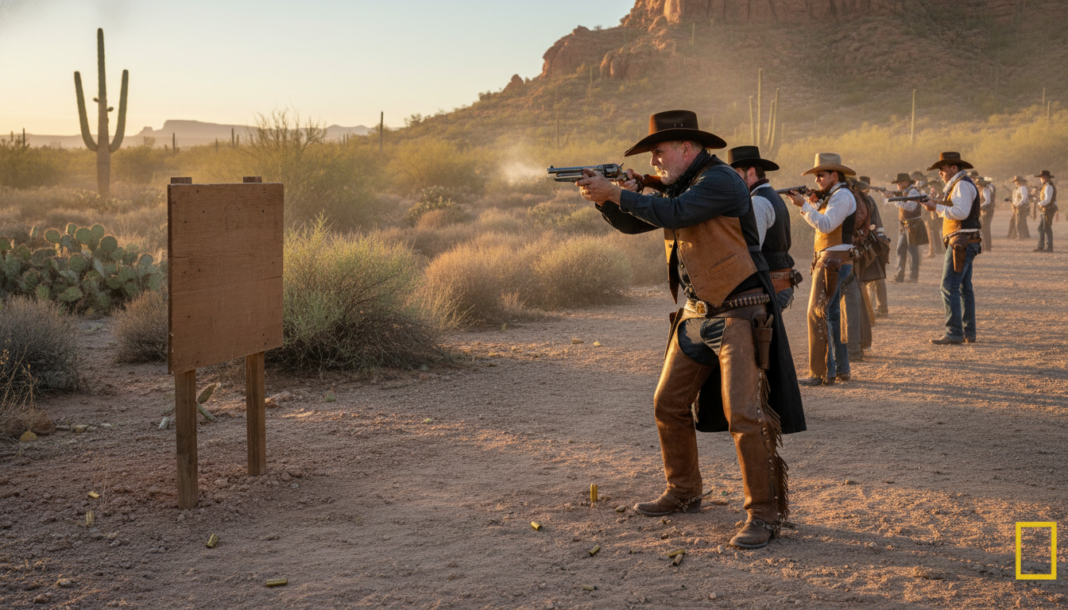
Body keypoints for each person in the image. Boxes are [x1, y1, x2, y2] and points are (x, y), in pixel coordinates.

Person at [576, 110, 804, 550]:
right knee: (668, 403)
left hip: (739, 312)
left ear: (686, 147)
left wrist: (618, 191)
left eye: (658, 152)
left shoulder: (720, 180)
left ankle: (764, 514)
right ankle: (683, 491)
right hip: (697, 313)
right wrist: (604, 199)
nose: (654, 161)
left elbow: (675, 212)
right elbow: (638, 221)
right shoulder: (685, 184)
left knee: (745, 415)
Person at [783, 153, 857, 386]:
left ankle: (821, 372)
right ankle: (840, 369)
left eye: (821, 175)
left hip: (833, 262)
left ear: (834, 175)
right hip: (834, 261)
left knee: (816, 313)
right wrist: (809, 203)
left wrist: (804, 205)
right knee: (831, 315)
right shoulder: (836, 195)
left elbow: (825, 225)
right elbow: (822, 220)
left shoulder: (841, 196)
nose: (817, 180)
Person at [920, 152, 981, 345]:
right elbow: (956, 208)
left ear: (953, 168)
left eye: (942, 169)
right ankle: (968, 332)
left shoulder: (961, 185)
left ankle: (954, 332)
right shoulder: (960, 184)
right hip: (964, 240)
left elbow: (961, 213)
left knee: (949, 286)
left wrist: (935, 207)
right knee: (963, 288)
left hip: (961, 241)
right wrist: (935, 204)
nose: (940, 173)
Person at [727, 145, 799, 310]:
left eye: (737, 174)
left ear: (751, 172)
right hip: (779, 283)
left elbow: (753, 249)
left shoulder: (757, 201)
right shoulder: (771, 195)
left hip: (773, 286)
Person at [889, 173, 924, 283]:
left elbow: (910, 207)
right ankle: (900, 275)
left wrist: (896, 200)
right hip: (905, 225)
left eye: (900, 183)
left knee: (912, 251)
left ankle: (913, 276)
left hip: (912, 225)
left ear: (906, 182)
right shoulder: (906, 192)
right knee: (901, 249)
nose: (898, 185)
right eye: (898, 183)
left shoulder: (913, 192)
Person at [1034, 170, 1057, 252]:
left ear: (1044, 178)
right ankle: (1041, 246)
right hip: (1046, 209)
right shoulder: (1046, 186)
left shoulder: (1048, 186)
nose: (1040, 179)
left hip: (1048, 209)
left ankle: (1049, 247)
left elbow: (1047, 200)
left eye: (1041, 177)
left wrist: (1039, 203)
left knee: (1046, 228)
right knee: (1041, 228)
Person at [977, 176, 995, 252]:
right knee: (984, 228)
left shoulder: (985, 190)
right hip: (983, 211)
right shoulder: (982, 190)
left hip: (986, 211)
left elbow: (987, 201)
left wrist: (979, 206)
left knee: (985, 229)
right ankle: (985, 245)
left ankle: (987, 246)